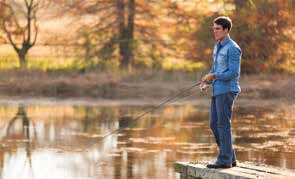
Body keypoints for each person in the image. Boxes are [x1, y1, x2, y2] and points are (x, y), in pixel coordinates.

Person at [200, 16, 241, 169]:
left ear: (226, 30)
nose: (215, 32)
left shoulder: (233, 48)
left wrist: (215, 76)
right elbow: (215, 69)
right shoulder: (217, 46)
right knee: (214, 124)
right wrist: (207, 81)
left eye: (217, 29)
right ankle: (230, 157)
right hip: (217, 90)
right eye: (214, 29)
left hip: (227, 90)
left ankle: (224, 160)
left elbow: (233, 73)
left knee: (223, 125)